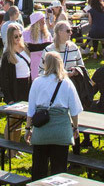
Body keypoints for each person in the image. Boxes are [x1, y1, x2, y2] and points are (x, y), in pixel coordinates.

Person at [26, 52, 83, 180]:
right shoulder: (67, 83)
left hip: (42, 130)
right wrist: (75, 127)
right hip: (61, 131)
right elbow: (74, 111)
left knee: (39, 168)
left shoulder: (37, 82)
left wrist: (27, 129)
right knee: (59, 169)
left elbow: (31, 110)